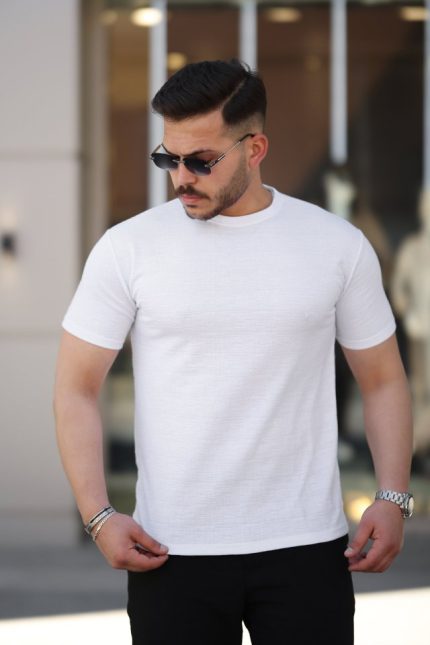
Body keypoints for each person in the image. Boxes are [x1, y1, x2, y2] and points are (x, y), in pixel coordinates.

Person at [54, 59, 413, 645]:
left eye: (201, 161)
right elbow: (75, 387)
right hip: (170, 550)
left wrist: (393, 497)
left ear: (256, 148)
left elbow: (382, 380)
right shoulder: (127, 249)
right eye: (168, 159)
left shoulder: (336, 245)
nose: (181, 178)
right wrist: (98, 516)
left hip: (306, 547)